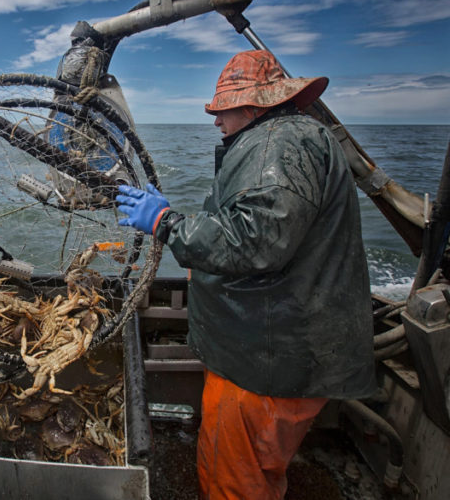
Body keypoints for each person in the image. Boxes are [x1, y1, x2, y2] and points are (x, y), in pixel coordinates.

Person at [116, 50, 376, 499]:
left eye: (223, 110)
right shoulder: (292, 138)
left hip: (268, 364)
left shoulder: (279, 143)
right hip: (277, 353)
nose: (216, 121)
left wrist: (167, 224)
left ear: (254, 106)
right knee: (247, 469)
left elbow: (255, 239)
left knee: (237, 483)